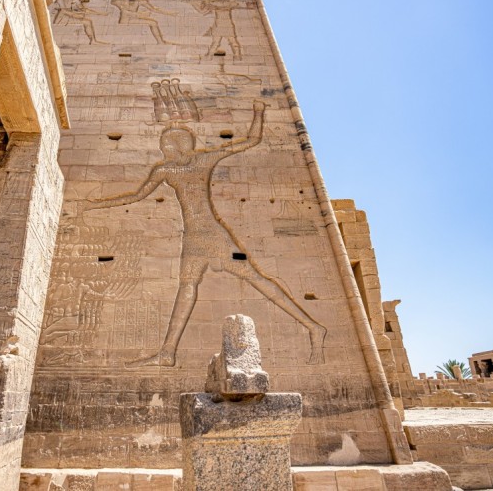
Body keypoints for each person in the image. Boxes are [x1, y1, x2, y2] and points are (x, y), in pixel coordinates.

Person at [81, 101, 326, 366]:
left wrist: (258, 112)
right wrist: (96, 205)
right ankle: (167, 352)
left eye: (167, 145)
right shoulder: (169, 169)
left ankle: (313, 327)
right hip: (196, 239)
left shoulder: (187, 164)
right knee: (188, 287)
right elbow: (137, 195)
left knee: (252, 278)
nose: (163, 149)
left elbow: (252, 140)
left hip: (216, 238)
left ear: (177, 146)